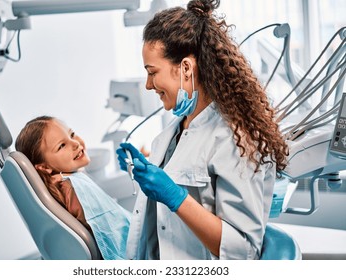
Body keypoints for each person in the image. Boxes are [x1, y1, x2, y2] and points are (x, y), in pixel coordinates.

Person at [116, 0, 289, 260]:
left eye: (152, 72)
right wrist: (140, 170)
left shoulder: (237, 139)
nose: (148, 85)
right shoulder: (176, 131)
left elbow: (243, 251)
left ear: (185, 68)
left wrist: (176, 197)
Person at [15, 116, 131, 260]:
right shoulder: (71, 187)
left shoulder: (72, 180)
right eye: (61, 145)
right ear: (44, 167)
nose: (75, 143)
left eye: (71, 134)